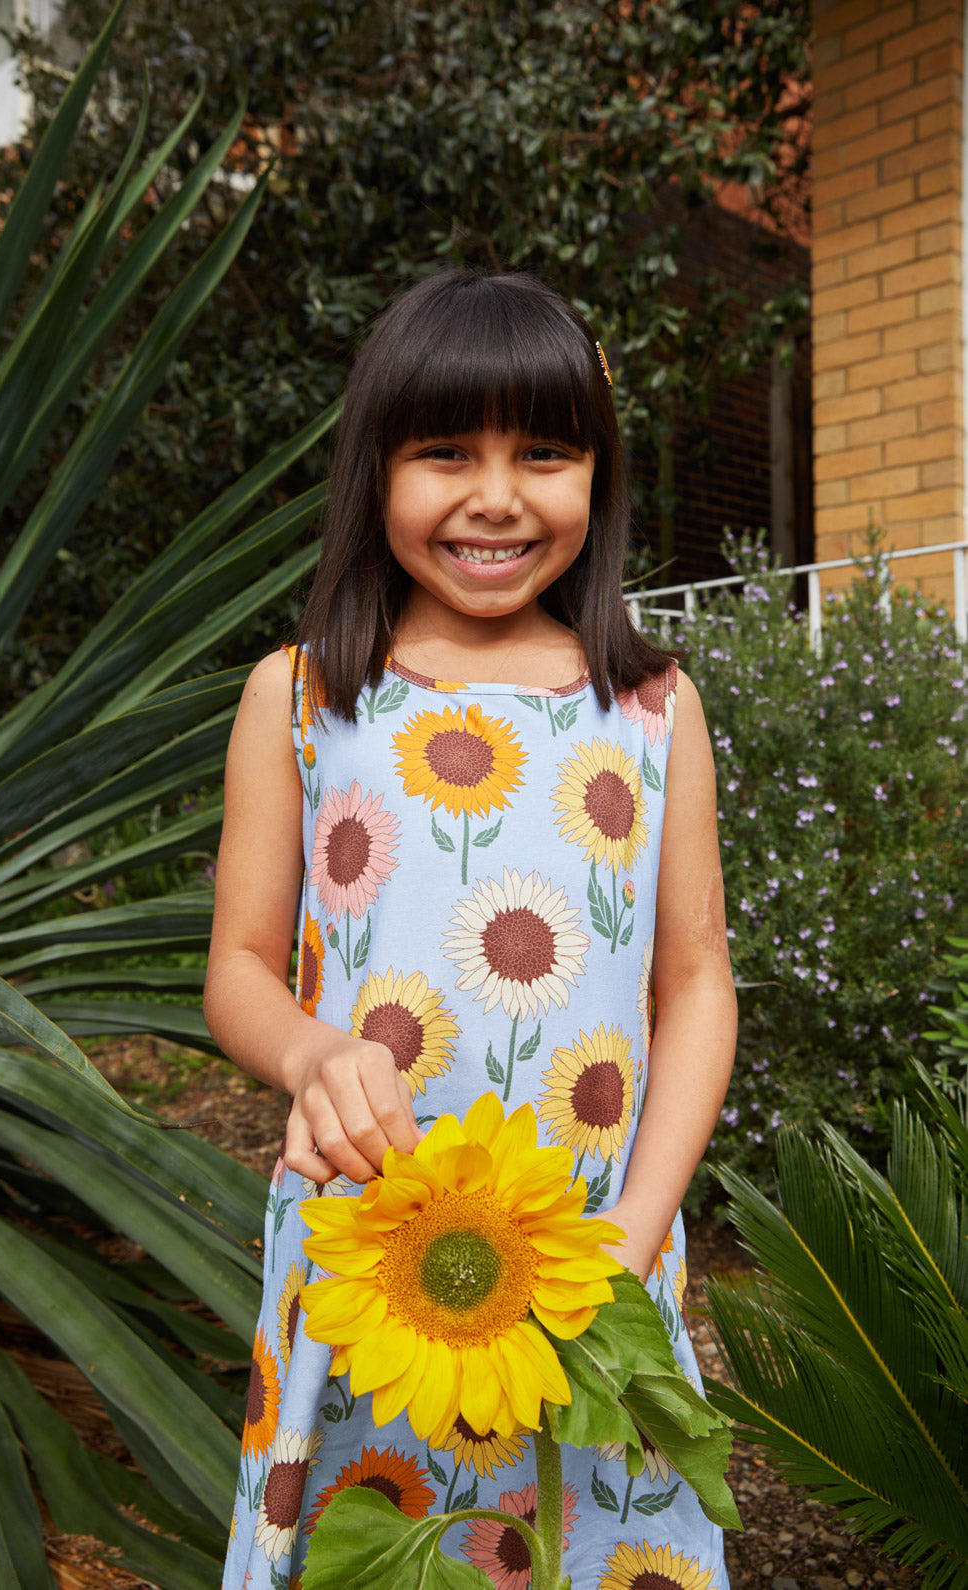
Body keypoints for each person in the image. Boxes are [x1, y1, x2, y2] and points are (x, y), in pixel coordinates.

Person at [205, 269, 737, 1590]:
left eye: (543, 453)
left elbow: (698, 982)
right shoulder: (303, 699)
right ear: (375, 469)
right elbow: (236, 968)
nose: (497, 495)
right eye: (447, 450)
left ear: (596, 478)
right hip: (364, 1265)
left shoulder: (655, 709)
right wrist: (312, 1057)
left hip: (592, 1265)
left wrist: (634, 1236)